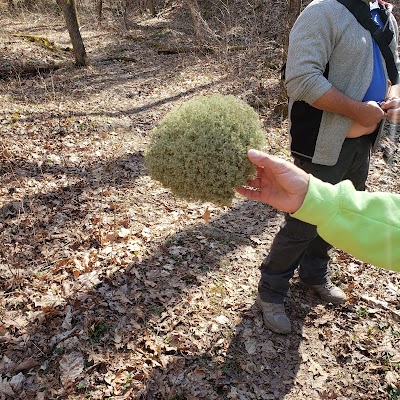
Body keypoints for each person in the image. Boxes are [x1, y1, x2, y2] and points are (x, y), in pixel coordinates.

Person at [255, 0, 400, 334]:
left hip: (363, 144)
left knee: (341, 213)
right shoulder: (324, 11)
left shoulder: (384, 17)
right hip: (321, 144)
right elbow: (301, 79)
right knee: (303, 221)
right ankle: (271, 292)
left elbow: (394, 73)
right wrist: (357, 111)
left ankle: (314, 274)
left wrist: (393, 97)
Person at [236, 149, 400, 271]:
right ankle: (271, 291)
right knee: (299, 228)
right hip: (320, 150)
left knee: (328, 232)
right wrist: (312, 196)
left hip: (362, 149)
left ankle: (314, 275)